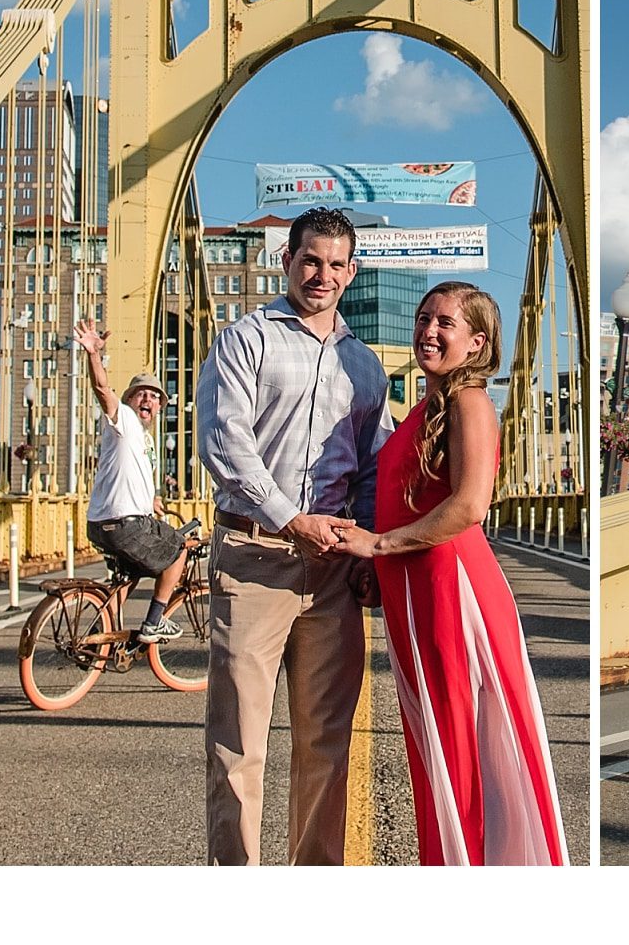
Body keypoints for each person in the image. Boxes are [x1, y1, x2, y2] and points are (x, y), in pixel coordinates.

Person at [328, 282, 566, 865]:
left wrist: (378, 545)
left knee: (463, 745)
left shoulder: (470, 404)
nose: (428, 330)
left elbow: (469, 506)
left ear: (477, 342)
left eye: (446, 323)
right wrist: (376, 567)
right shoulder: (426, 409)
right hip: (417, 591)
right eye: (424, 317)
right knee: (437, 745)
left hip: (452, 590)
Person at [197, 206, 393, 866]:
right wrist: (291, 518)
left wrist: (366, 550)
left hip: (333, 571)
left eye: (337, 264)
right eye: (311, 259)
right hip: (255, 557)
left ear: (352, 272)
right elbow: (227, 445)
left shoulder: (366, 367)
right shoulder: (244, 339)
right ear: (288, 260)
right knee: (238, 745)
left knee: (326, 748)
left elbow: (371, 466)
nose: (323, 274)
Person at [71, 319, 194, 643]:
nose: (148, 400)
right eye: (142, 394)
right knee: (178, 549)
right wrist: (94, 354)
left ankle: (99, 636)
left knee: (131, 572)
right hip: (124, 523)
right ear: (129, 400)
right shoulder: (121, 419)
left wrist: (152, 501)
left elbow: (134, 476)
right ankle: (154, 621)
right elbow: (102, 390)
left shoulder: (143, 440)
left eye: (155, 397)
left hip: (102, 522)